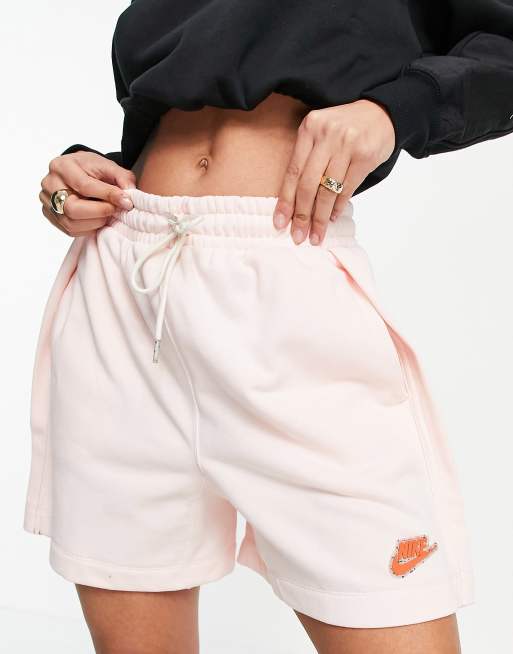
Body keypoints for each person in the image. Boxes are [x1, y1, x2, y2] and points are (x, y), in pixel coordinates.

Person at [24, 1, 513, 652]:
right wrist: (83, 176)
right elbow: (173, 104)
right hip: (125, 287)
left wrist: (394, 111)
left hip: (288, 291)